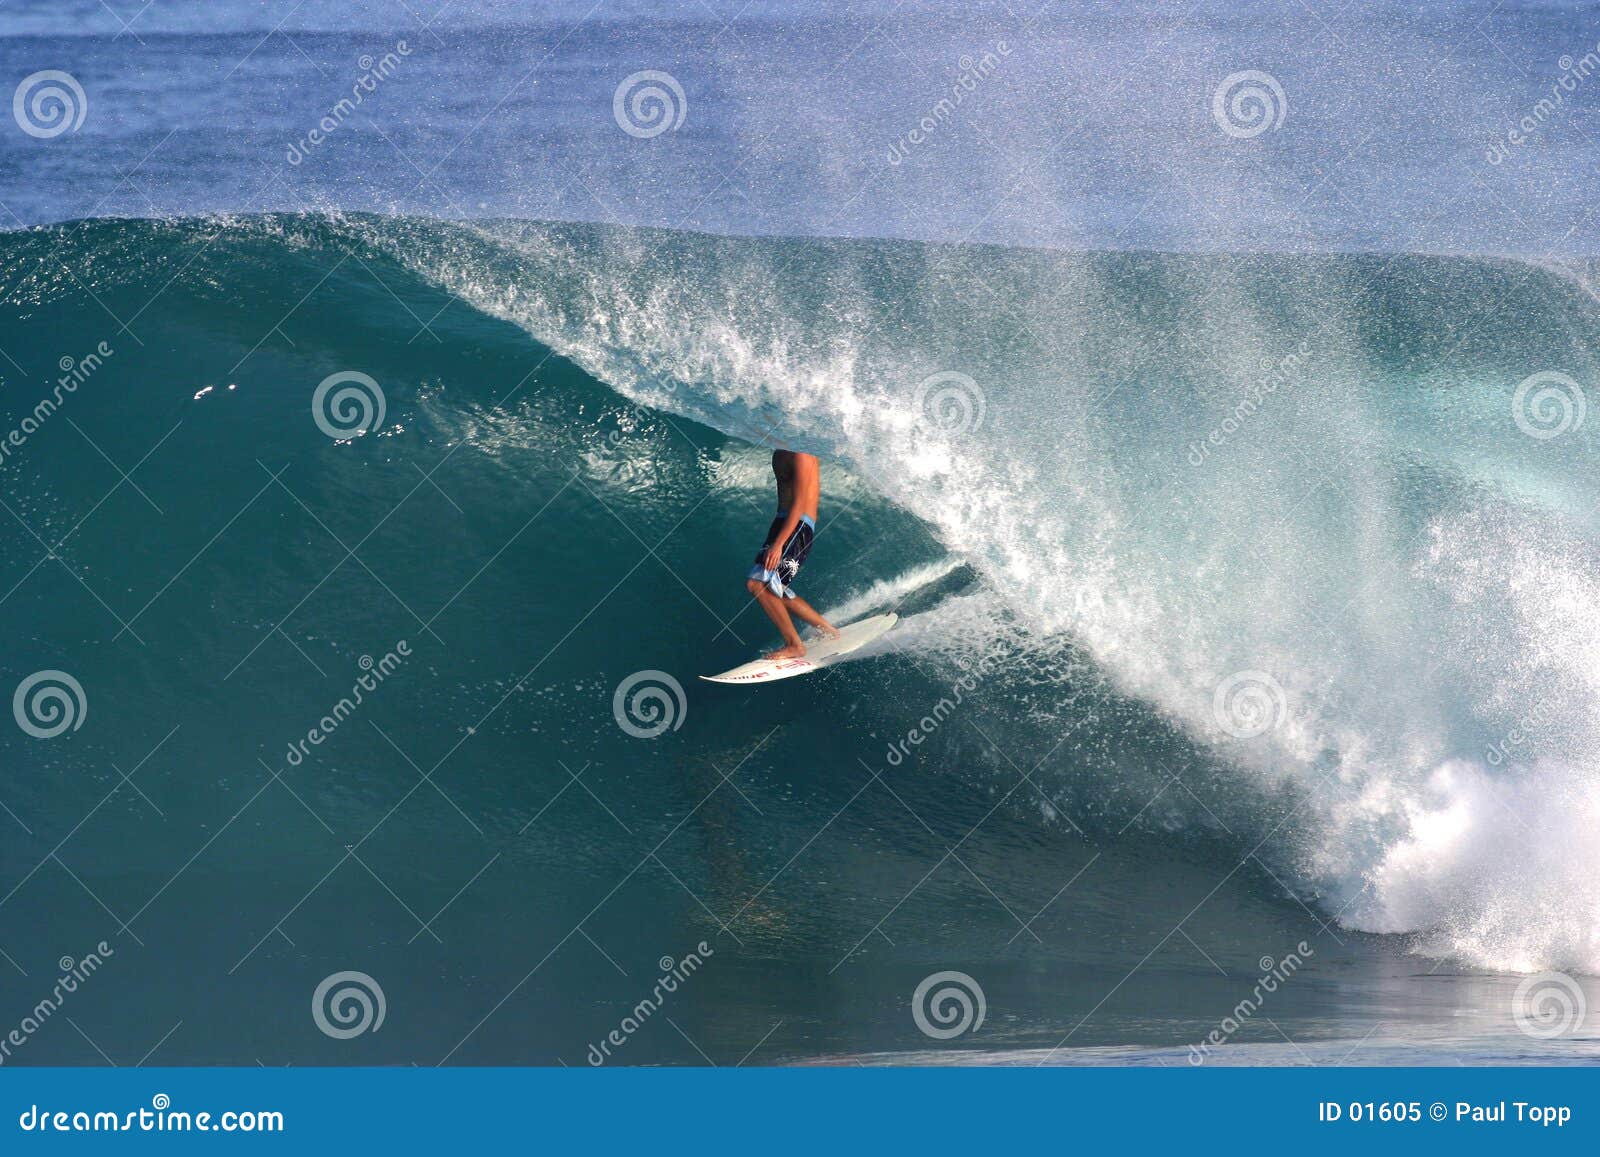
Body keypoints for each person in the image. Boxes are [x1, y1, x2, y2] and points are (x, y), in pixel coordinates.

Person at [745, 449, 839, 659]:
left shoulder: (802, 455)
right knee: (777, 589)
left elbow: (798, 504)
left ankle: (794, 645)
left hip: (798, 525)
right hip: (782, 522)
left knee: (756, 584)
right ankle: (828, 631)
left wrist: (778, 544)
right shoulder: (779, 453)